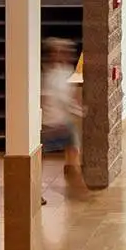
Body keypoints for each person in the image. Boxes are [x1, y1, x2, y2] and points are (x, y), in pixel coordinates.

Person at [40, 37, 82, 197]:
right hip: (50, 123)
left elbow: (70, 97)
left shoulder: (67, 71)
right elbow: (58, 99)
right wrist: (77, 111)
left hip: (63, 122)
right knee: (41, 157)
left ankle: (75, 182)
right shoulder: (49, 75)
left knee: (73, 151)